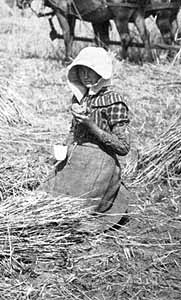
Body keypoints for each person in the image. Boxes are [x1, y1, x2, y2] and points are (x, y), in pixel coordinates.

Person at [42, 46, 130, 227]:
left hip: (100, 161)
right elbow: (73, 130)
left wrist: (91, 126)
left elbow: (123, 147)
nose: (86, 76)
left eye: (91, 71)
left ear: (102, 72)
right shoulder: (79, 99)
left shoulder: (114, 101)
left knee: (77, 209)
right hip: (76, 157)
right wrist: (64, 149)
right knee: (47, 197)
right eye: (82, 71)